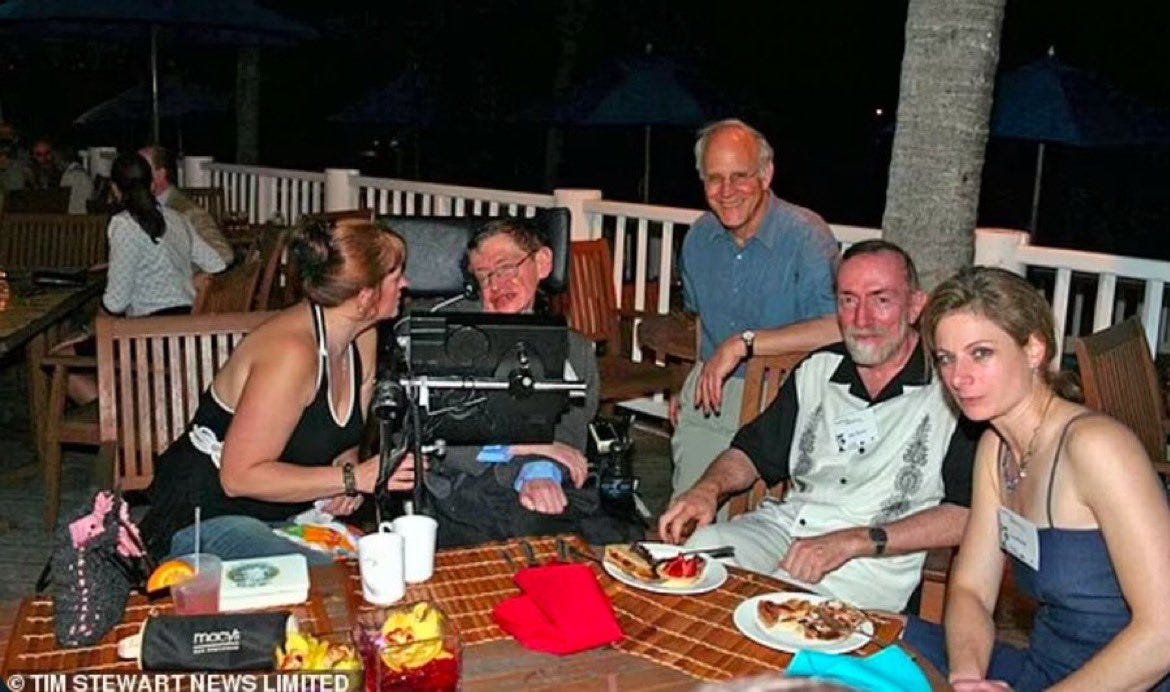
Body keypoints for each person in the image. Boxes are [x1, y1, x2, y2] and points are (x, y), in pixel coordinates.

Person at [659, 241, 979, 612]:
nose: (862, 319)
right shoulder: (819, 369)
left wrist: (856, 540)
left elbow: (966, 513)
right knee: (700, 557)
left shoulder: (949, 391)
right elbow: (750, 453)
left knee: (775, 609)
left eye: (881, 300)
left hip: (872, 559)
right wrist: (707, 490)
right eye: (848, 300)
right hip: (787, 527)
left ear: (915, 306)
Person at [903, 266, 1170, 691]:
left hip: (1126, 679)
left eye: (981, 353)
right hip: (1045, 667)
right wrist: (967, 678)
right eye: (947, 358)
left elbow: (1163, 636)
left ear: (1033, 349)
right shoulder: (995, 448)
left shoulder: (1097, 447)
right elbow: (972, 589)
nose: (958, 377)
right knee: (876, 643)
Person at [139, 217, 416, 563]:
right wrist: (352, 477)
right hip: (207, 516)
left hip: (278, 515)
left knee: (376, 561)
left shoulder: (362, 336)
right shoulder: (292, 354)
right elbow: (238, 477)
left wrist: (344, 483)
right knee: (332, 576)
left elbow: (344, 439)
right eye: (395, 275)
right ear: (364, 296)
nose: (406, 283)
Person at [423, 219, 635, 547]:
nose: (496, 284)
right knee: (542, 538)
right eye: (483, 275)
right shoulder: (455, 339)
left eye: (506, 267)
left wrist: (540, 469)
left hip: (540, 481)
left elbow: (569, 428)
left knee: (615, 539)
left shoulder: (573, 347)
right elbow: (442, 437)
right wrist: (527, 448)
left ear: (542, 263)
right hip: (462, 485)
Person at [671, 118, 841, 504]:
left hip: (786, 395)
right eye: (714, 178)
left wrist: (745, 344)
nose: (727, 191)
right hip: (715, 396)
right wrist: (691, 378)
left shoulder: (806, 236)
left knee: (759, 536)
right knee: (685, 518)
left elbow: (838, 327)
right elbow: (700, 323)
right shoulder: (699, 238)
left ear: (765, 175)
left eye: (740, 176)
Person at [101, 152, 226, 317]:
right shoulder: (177, 217)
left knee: (70, 341)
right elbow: (217, 265)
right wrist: (192, 279)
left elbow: (116, 303)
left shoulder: (124, 225)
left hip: (149, 331)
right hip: (187, 321)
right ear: (151, 184)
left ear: (115, 189)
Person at [139, 145, 235, 266]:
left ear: (160, 174)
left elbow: (224, 255)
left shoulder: (187, 211)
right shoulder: (141, 207)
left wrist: (186, 274)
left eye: (142, 169)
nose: (135, 174)